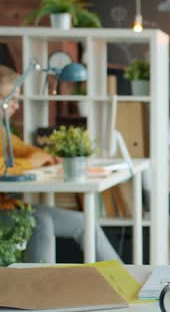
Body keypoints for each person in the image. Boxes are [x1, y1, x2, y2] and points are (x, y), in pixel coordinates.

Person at [0, 65, 120, 263]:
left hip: (9, 207)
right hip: (6, 211)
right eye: (11, 99)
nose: (16, 105)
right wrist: (33, 162)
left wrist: (49, 158)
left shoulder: (2, 132)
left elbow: (26, 151)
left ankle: (123, 282)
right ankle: (42, 291)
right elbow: (6, 166)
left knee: (85, 223)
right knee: (40, 222)